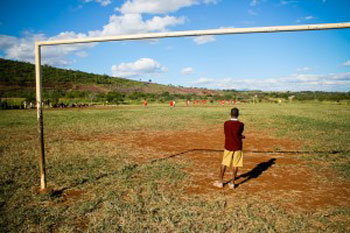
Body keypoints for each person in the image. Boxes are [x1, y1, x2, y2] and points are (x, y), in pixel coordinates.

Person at [214, 107, 245, 189]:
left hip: (228, 146)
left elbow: (227, 133)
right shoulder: (241, 124)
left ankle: (220, 182)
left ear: (230, 114)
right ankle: (232, 183)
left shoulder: (226, 124)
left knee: (224, 163)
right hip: (238, 146)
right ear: (238, 115)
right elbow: (238, 134)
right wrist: (241, 137)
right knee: (236, 165)